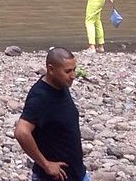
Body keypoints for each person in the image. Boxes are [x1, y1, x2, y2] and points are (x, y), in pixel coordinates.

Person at [13, 46, 88, 181]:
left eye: (74, 70)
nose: (73, 76)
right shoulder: (40, 96)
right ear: (51, 69)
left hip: (77, 173)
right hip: (54, 177)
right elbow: (21, 132)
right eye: (68, 71)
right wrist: (46, 165)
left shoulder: (60, 84)